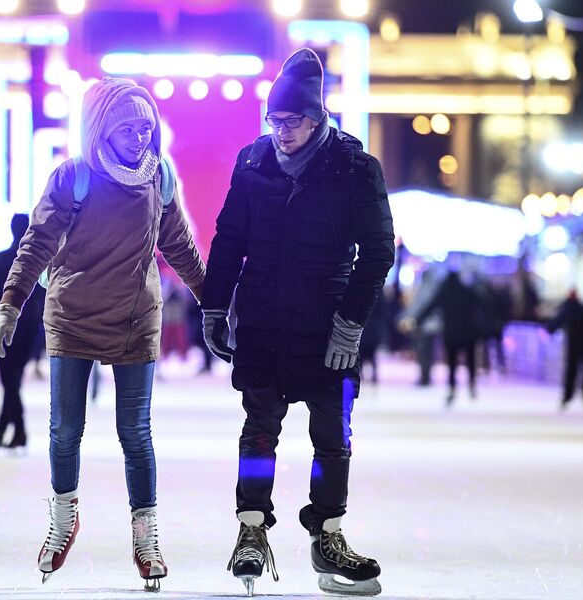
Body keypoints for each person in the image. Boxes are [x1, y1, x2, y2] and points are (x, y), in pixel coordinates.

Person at [0, 77, 205, 590]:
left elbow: (180, 248)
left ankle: (146, 534)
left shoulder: (159, 178)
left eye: (146, 127)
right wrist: (10, 305)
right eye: (128, 127)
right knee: (66, 430)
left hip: (135, 317)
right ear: (102, 129)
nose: (139, 136)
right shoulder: (74, 177)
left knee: (136, 433)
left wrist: (213, 304)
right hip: (73, 316)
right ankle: (64, 518)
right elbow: (37, 243)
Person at [200, 48, 394, 597]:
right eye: (274, 121)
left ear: (318, 117)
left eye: (292, 121)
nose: (282, 132)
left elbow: (378, 250)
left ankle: (327, 534)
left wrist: (349, 323)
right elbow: (229, 239)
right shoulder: (253, 161)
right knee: (259, 430)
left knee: (332, 438)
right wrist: (216, 307)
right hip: (262, 320)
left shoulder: (354, 169)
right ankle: (252, 529)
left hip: (326, 321)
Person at [0, 214, 45, 451]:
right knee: (13, 380)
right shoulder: (36, 263)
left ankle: (17, 430)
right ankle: (6, 429)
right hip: (28, 329)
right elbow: (42, 297)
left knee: (10, 380)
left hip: (3, 325)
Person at [405, 271, 482, 406]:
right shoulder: (467, 292)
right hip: (469, 333)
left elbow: (430, 307)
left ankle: (452, 388)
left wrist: (417, 321)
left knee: (452, 363)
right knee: (471, 360)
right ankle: (471, 384)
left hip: (451, 333)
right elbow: (483, 306)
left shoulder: (445, 293)